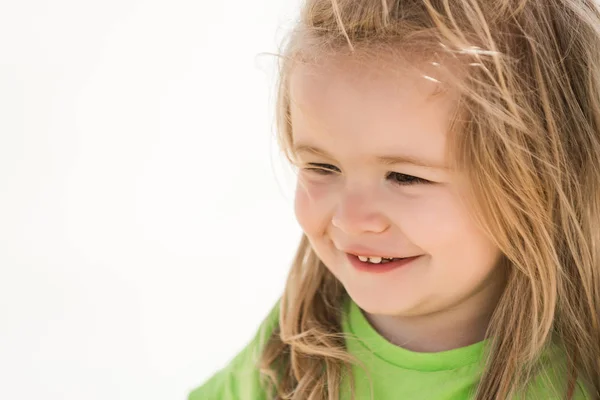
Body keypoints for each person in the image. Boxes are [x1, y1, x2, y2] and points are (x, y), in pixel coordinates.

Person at [188, 0, 600, 398]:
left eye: (404, 177)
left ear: (541, 178)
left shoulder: (578, 377)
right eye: (322, 167)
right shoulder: (294, 345)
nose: (351, 219)